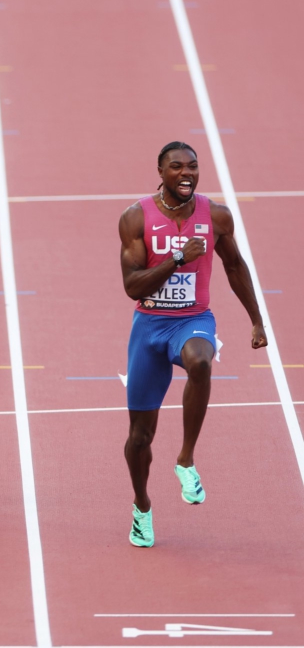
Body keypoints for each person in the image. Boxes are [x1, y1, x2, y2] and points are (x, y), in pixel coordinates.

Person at [119, 141, 267, 547]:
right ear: (161, 172)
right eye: (177, 167)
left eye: (193, 167)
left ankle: (186, 460)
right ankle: (142, 508)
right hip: (150, 327)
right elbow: (132, 286)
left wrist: (257, 320)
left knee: (201, 360)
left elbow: (234, 266)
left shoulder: (215, 215)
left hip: (193, 319)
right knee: (139, 439)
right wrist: (177, 260)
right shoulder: (135, 218)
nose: (186, 174)